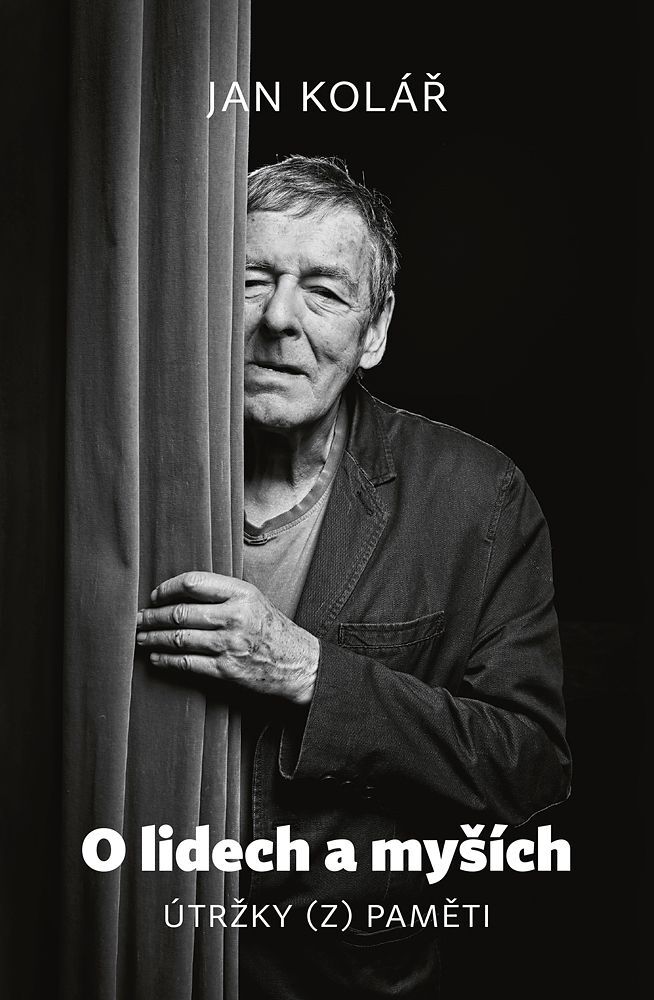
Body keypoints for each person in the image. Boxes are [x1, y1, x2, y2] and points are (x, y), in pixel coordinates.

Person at [135, 155, 571, 998]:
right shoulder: (121, 478)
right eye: (251, 281)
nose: (279, 319)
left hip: (346, 976)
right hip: (133, 956)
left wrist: (311, 674)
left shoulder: (478, 497)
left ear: (375, 329)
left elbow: (528, 768)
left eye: (325, 292)